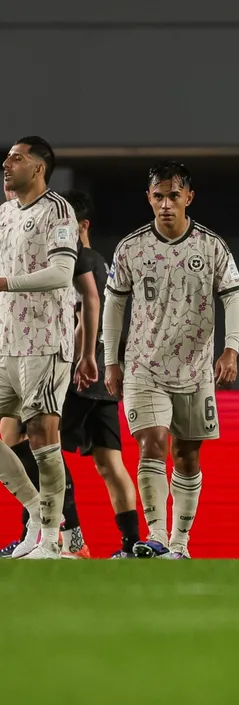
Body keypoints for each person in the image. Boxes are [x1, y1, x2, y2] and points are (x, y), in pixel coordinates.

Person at [102, 162, 239, 559]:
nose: (166, 204)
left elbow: (233, 296)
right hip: (144, 367)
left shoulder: (211, 245)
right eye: (158, 196)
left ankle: (180, 545)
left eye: (174, 195)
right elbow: (114, 304)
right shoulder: (131, 247)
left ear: (188, 198)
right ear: (149, 198)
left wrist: (230, 348)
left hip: (196, 370)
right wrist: (109, 359)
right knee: (152, 444)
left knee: (187, 454)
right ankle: (158, 535)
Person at [0, 136, 83, 559]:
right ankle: (37, 512)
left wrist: (6, 283)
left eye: (16, 158)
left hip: (45, 342)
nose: (7, 163)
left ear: (39, 167)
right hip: (5, 343)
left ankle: (51, 539)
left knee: (40, 436)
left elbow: (61, 273)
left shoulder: (59, 211)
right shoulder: (4, 214)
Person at [62, 190, 140, 557]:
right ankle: (131, 543)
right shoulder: (104, 264)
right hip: (106, 377)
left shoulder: (78, 260)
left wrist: (80, 358)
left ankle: (69, 536)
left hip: (81, 375)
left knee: (38, 446)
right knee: (110, 462)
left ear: (82, 225)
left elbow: (82, 316)